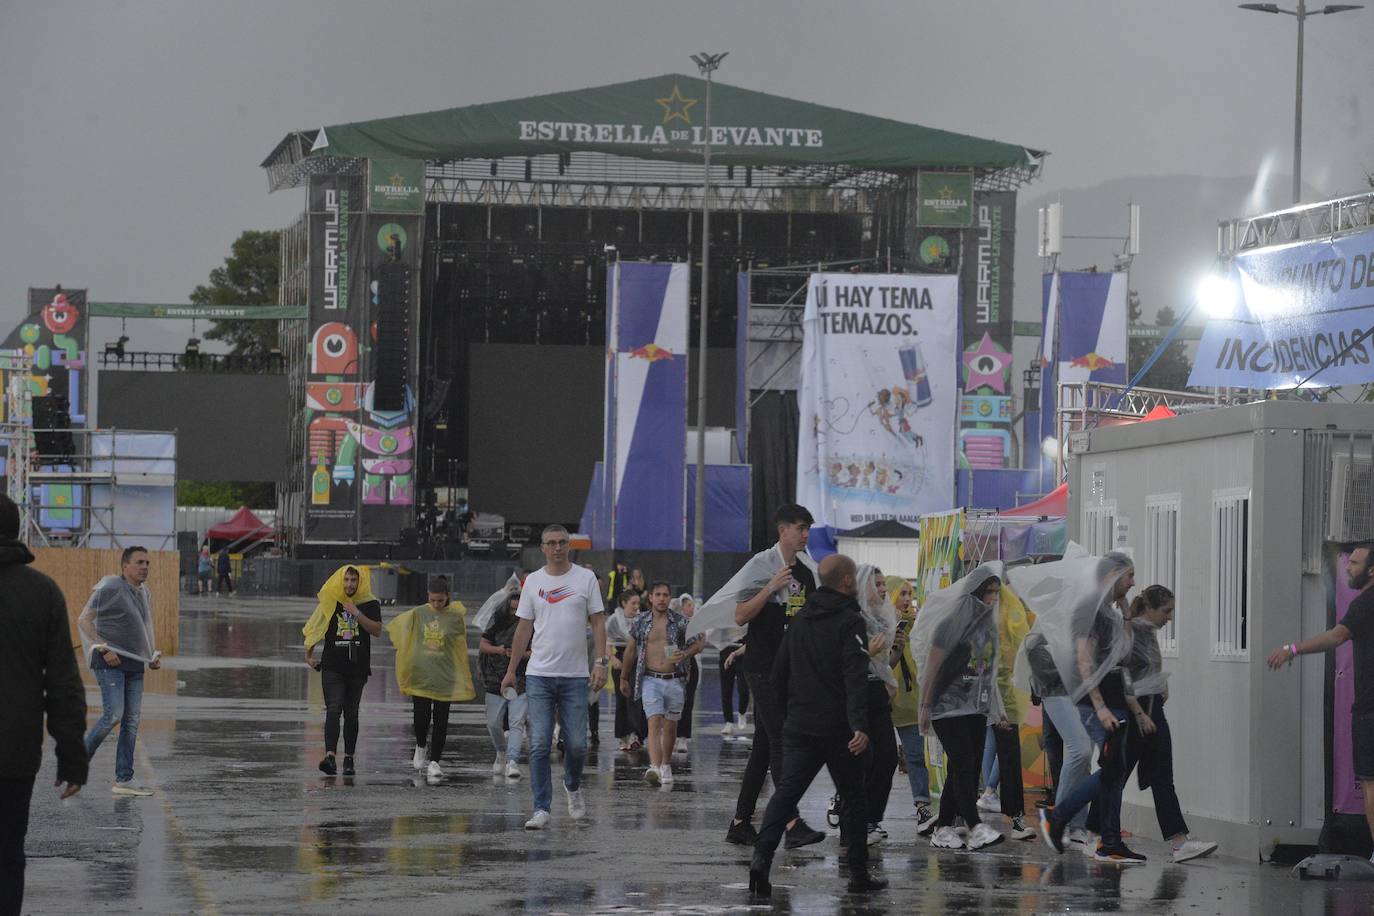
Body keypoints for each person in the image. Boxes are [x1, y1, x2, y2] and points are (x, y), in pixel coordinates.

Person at [748, 554, 885, 900]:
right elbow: (855, 674)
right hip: (838, 729)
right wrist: (859, 725)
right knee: (854, 797)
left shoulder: (800, 619)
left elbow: (778, 674)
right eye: (853, 577)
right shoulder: (849, 621)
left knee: (787, 793)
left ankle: (762, 857)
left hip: (800, 726)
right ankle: (857, 874)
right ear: (845, 582)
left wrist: (789, 717)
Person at [693, 504, 825, 849]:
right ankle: (791, 822)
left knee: (764, 749)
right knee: (783, 740)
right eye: (800, 528)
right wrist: (769, 589)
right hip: (763, 669)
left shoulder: (805, 572)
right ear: (783, 529)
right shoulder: (760, 566)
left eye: (808, 528)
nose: (805, 534)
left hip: (787, 669)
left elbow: (797, 623)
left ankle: (740, 823)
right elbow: (740, 616)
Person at [1027, 552, 1144, 863]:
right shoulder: (1089, 609)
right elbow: (1083, 660)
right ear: (1114, 575)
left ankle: (1108, 840)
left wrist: (1128, 615)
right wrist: (1099, 707)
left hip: (1115, 697)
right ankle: (1061, 817)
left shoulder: (1108, 610)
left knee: (1115, 772)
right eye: (1129, 576)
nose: (1133, 582)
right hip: (1098, 700)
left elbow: (1124, 656)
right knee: (1113, 769)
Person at [1, 494, 86, 915]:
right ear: (17, 531)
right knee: (8, 854)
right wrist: (72, 758)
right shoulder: (43, 593)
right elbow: (63, 684)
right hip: (14, 751)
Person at [1269, 542, 1374, 862]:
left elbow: (1337, 636)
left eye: (1354, 564)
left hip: (1371, 710)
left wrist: (1293, 649)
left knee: (1370, 784)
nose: (1347, 568)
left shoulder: (1364, 603)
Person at [501, 525, 608, 831]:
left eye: (563, 542)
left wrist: (600, 662)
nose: (558, 548)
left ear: (569, 546)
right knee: (538, 744)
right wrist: (511, 671)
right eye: (552, 543)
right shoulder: (533, 581)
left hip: (575, 676)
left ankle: (572, 786)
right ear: (543, 547)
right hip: (539, 676)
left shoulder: (585, 578)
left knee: (576, 744)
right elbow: (523, 628)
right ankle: (541, 808)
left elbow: (599, 623)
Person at [914, 563, 1007, 851]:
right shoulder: (951, 623)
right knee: (965, 763)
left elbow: (987, 672)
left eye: (995, 592)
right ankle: (974, 825)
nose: (992, 598)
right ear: (975, 592)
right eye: (988, 593)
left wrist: (997, 708)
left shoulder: (987, 626)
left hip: (974, 705)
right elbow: (932, 666)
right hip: (946, 705)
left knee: (962, 767)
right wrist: (925, 705)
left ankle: (942, 828)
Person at [1125, 584, 1217, 863]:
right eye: (1166, 611)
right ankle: (1081, 824)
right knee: (1120, 773)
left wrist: (1159, 687)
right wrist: (1140, 713)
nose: (1169, 617)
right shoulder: (1135, 633)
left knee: (1158, 774)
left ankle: (1179, 840)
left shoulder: (1146, 632)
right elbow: (1124, 675)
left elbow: (1142, 670)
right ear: (1150, 609)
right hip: (1142, 709)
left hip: (1151, 705)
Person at [78, 546, 161, 796]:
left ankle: (124, 779)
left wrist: (151, 656)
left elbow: (144, 629)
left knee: (131, 721)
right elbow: (84, 620)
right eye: (139, 562)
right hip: (109, 662)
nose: (145, 566)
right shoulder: (111, 587)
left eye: (147, 562)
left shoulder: (144, 593)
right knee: (114, 713)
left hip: (134, 664)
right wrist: (103, 648)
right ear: (125, 566)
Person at [386, 575, 474, 784]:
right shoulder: (418, 613)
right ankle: (420, 745)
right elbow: (401, 631)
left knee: (442, 719)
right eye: (433, 600)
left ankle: (435, 761)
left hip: (445, 675)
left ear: (448, 597)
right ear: (428, 596)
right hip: (421, 673)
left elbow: (459, 647)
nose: (436, 604)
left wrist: (463, 673)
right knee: (421, 716)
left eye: (440, 600)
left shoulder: (455, 617)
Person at [834, 565, 898, 847]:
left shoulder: (883, 619)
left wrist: (894, 657)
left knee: (887, 757)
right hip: (853, 696)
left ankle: (871, 819)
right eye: (878, 584)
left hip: (877, 693)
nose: (884, 589)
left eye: (884, 584)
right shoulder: (849, 618)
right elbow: (840, 664)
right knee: (861, 761)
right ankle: (851, 826)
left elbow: (884, 663)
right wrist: (866, 652)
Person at [620, 583, 705, 785]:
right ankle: (655, 767)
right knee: (654, 721)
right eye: (657, 594)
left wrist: (685, 653)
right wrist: (623, 677)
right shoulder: (641, 621)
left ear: (669, 598)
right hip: (650, 679)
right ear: (650, 597)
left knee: (670, 726)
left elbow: (699, 641)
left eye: (665, 595)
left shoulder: (680, 622)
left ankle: (666, 764)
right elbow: (631, 650)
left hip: (675, 680)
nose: (661, 599)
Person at [303, 566, 383, 777]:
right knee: (333, 708)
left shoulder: (370, 602)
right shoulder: (332, 599)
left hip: (357, 667)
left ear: (360, 582)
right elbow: (316, 627)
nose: (349, 584)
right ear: (340, 580)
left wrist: (356, 613)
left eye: (353, 580)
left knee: (351, 713)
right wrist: (308, 655)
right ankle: (330, 756)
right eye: (346, 579)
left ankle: (349, 758)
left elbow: (376, 630)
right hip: (333, 666)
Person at [886, 574, 935, 833]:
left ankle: (922, 807)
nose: (907, 600)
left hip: (910, 701)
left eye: (909, 594)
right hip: (883, 700)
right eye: (901, 594)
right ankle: (862, 812)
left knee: (916, 757)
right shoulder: (879, 625)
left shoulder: (917, 625)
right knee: (875, 762)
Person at [480, 590, 529, 779]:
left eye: (519, 610)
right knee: (493, 723)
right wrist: (498, 650)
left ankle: (512, 760)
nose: (515, 614)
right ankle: (501, 751)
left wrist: (520, 654)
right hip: (495, 677)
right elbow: (483, 645)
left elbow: (539, 652)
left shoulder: (532, 624)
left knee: (517, 722)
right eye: (512, 610)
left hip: (522, 678)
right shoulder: (496, 621)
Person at [606, 588, 647, 752]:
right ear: (624, 603)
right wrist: (613, 658)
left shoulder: (643, 619)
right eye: (633, 603)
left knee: (637, 698)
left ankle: (636, 734)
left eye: (638, 603)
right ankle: (623, 735)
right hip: (621, 660)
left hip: (639, 660)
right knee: (623, 699)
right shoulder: (614, 620)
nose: (637, 606)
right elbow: (607, 644)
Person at [671, 593, 700, 753]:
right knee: (672, 702)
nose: (692, 609)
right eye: (689, 606)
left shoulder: (694, 624)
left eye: (693, 606)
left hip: (689, 665)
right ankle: (671, 736)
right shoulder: (671, 623)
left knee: (687, 703)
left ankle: (683, 737)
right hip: (672, 665)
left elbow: (699, 645)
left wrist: (687, 654)